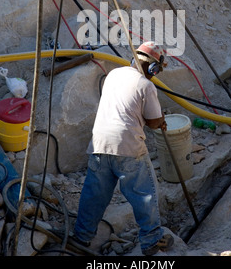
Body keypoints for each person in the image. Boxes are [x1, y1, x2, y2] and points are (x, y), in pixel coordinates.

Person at [74, 41, 174, 256]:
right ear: (154, 68)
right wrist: (161, 120)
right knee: (143, 193)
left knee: (94, 194)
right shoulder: (146, 85)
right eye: (158, 70)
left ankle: (81, 237)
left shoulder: (114, 74)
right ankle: (152, 240)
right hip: (127, 145)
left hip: (100, 142)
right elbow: (154, 121)